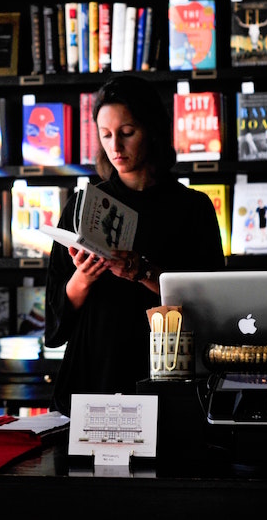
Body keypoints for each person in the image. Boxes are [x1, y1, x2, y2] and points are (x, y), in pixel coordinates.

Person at [44, 75, 225, 414]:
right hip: (93, 374)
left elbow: (211, 306)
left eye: (127, 133)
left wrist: (140, 270)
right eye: (106, 135)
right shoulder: (83, 206)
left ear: (152, 129)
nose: (116, 147)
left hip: (166, 372)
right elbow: (54, 326)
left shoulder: (193, 208)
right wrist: (83, 277)